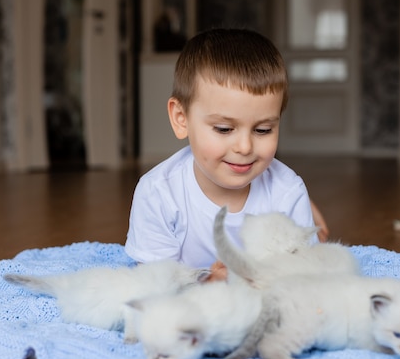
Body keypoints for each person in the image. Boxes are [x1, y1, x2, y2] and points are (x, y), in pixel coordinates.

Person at [125, 28, 329, 276]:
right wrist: (207, 284)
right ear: (181, 119)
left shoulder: (287, 192)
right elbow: (156, 288)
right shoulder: (158, 193)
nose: (244, 147)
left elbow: (302, 280)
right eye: (224, 129)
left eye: (263, 130)